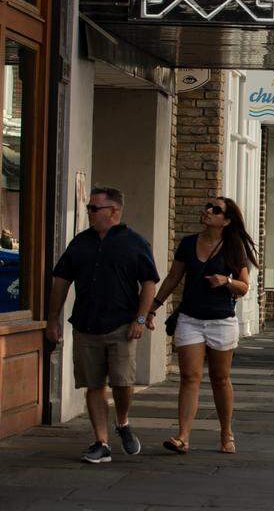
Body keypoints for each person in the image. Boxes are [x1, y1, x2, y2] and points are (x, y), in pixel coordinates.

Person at [46, 187, 159, 464]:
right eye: (88, 208)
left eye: (94, 208)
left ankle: (122, 421)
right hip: (86, 324)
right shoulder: (80, 243)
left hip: (121, 325)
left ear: (114, 211)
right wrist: (53, 319)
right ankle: (101, 442)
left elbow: (148, 283)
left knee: (122, 383)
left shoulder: (135, 243)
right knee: (93, 384)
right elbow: (61, 281)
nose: (89, 212)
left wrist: (141, 319)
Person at [149, 197, 258, 455]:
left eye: (216, 210)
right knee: (189, 377)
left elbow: (244, 287)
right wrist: (153, 306)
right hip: (190, 318)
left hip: (221, 320)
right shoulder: (188, 244)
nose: (208, 211)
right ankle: (183, 436)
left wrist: (226, 281)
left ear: (227, 220)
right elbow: (174, 277)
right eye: (208, 206)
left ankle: (226, 433)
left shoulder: (233, 247)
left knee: (220, 379)